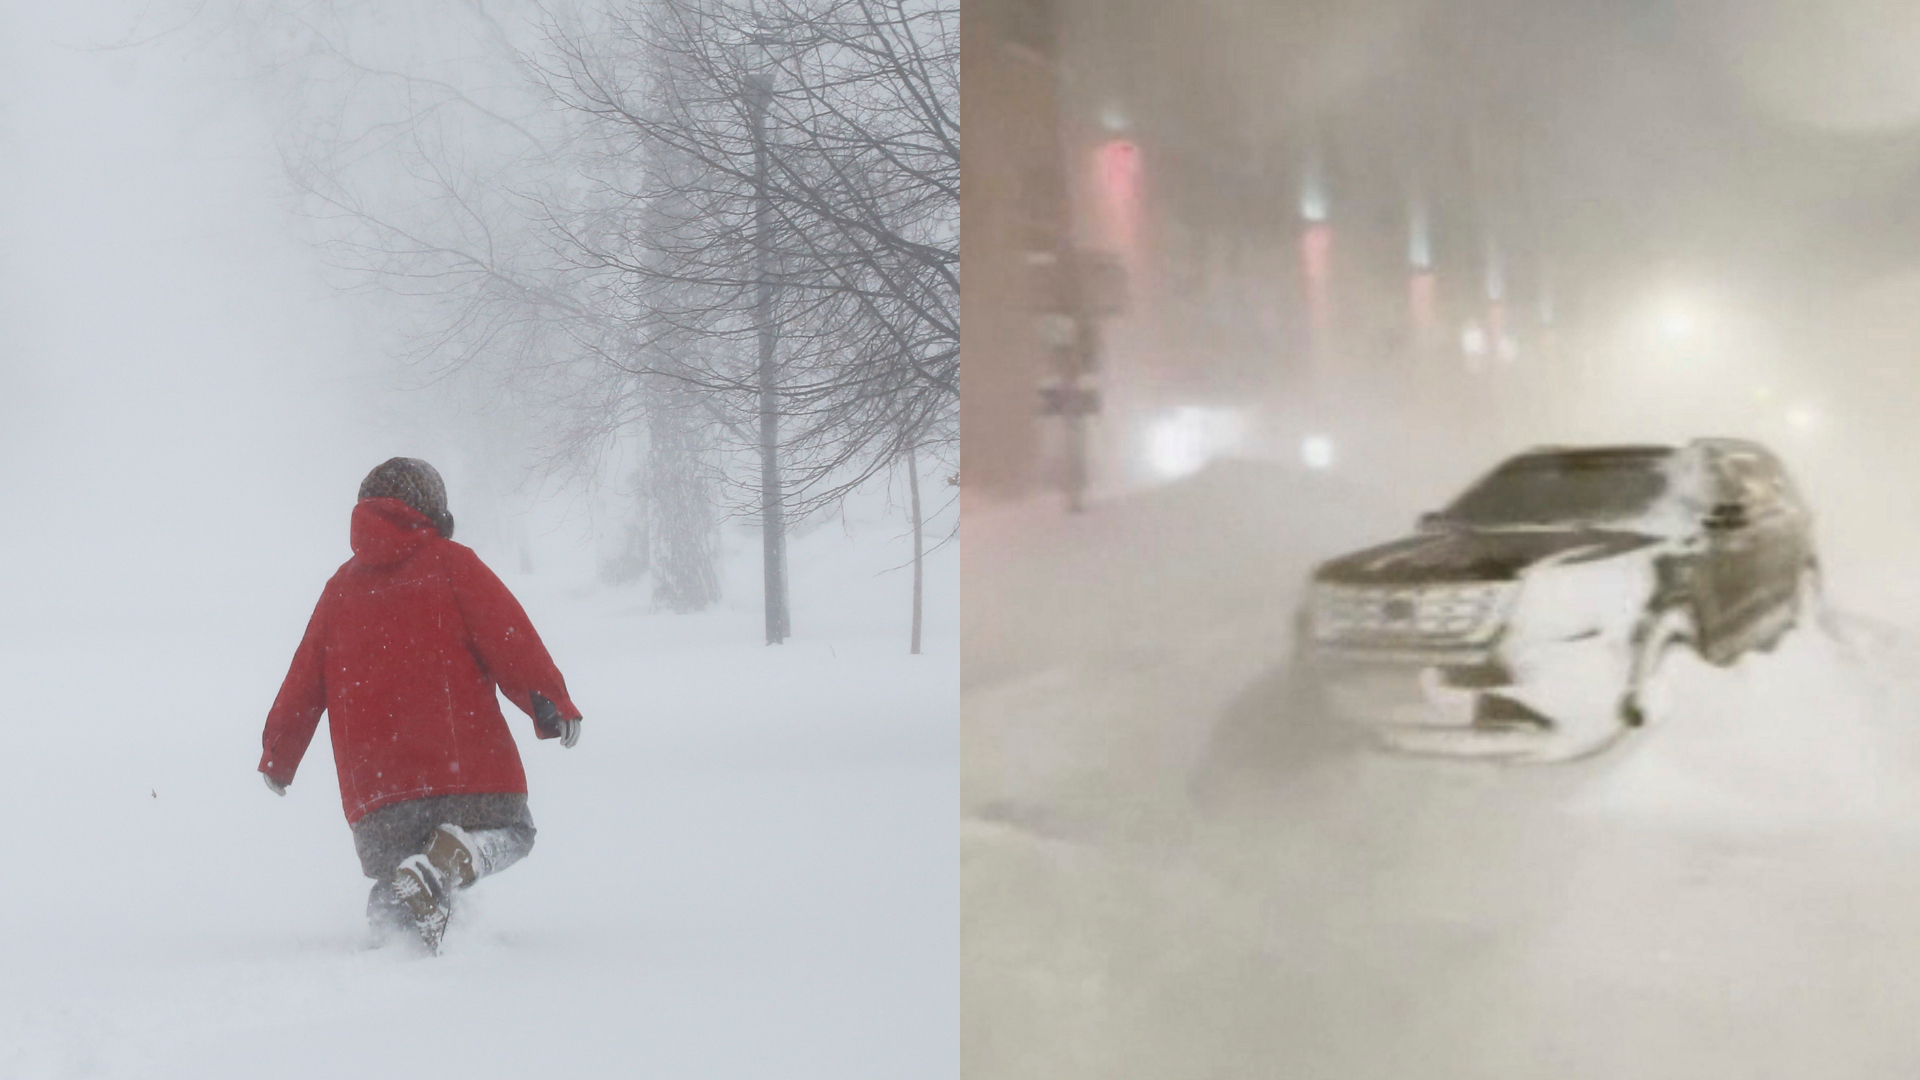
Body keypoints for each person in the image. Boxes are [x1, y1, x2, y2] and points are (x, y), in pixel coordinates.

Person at [257, 457, 583, 953]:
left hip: (378, 796)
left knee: (399, 871)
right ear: (431, 508)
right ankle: (459, 857)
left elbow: (303, 682)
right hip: (467, 776)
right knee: (515, 832)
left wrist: (280, 756)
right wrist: (551, 702)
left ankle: (397, 940)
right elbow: (508, 638)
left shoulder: (339, 591)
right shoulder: (452, 565)